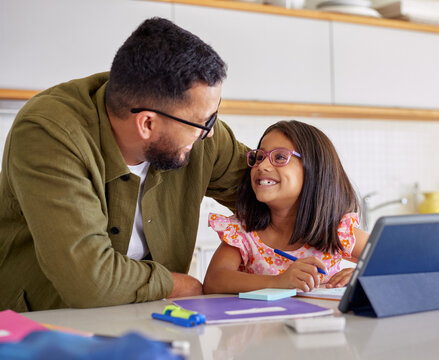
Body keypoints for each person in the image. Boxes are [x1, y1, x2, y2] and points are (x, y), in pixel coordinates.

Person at [0, 17, 249, 312]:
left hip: (157, 323)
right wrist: (180, 285)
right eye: (202, 122)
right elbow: (90, 281)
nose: (209, 131)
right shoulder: (49, 133)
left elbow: (271, 195)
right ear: (147, 123)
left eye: (213, 116)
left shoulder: (197, 131)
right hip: (46, 329)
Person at [203, 120, 369, 294]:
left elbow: (395, 263)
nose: (263, 166)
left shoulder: (336, 230)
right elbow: (214, 280)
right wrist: (277, 282)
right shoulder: (243, 231)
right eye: (260, 157)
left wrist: (362, 274)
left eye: (280, 157)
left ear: (315, 170)